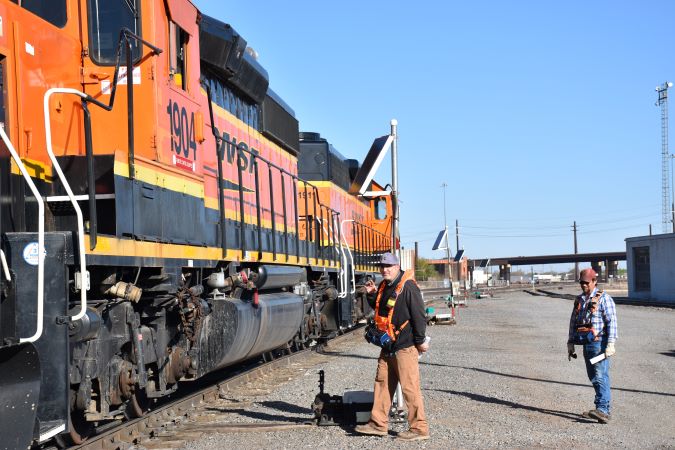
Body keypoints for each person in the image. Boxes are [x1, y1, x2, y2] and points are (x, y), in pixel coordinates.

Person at [354, 252, 430, 441]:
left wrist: (420, 341)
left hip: (405, 346)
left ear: (397, 266)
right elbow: (382, 310)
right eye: (382, 266)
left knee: (410, 388)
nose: (385, 269)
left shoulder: (408, 287)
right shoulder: (383, 285)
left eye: (388, 266)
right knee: (382, 384)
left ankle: (419, 429)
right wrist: (372, 295)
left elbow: (419, 316)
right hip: (388, 347)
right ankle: (378, 424)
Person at [567, 268, 618, 424]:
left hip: (599, 344)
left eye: (586, 283)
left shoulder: (604, 299)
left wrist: (611, 343)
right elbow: (573, 322)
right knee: (593, 376)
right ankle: (600, 408)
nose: (583, 285)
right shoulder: (580, 300)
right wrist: (570, 342)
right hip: (587, 344)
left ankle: (603, 410)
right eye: (581, 282)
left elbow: (612, 321)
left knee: (600, 375)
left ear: (594, 281)